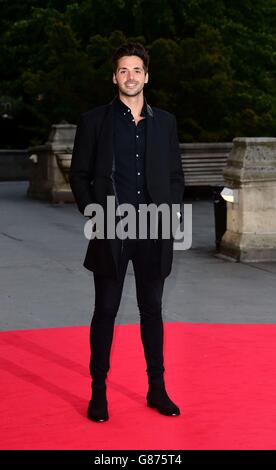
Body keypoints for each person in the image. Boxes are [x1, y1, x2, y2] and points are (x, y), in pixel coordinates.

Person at [69, 42, 185, 422]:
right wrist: (95, 213)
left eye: (137, 70)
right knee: (105, 310)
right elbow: (80, 175)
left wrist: (168, 215)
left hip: (154, 228)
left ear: (147, 76)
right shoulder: (94, 121)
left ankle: (157, 389)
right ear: (114, 76)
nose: (130, 76)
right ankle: (98, 392)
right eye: (123, 70)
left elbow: (174, 176)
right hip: (112, 228)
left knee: (152, 310)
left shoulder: (165, 122)